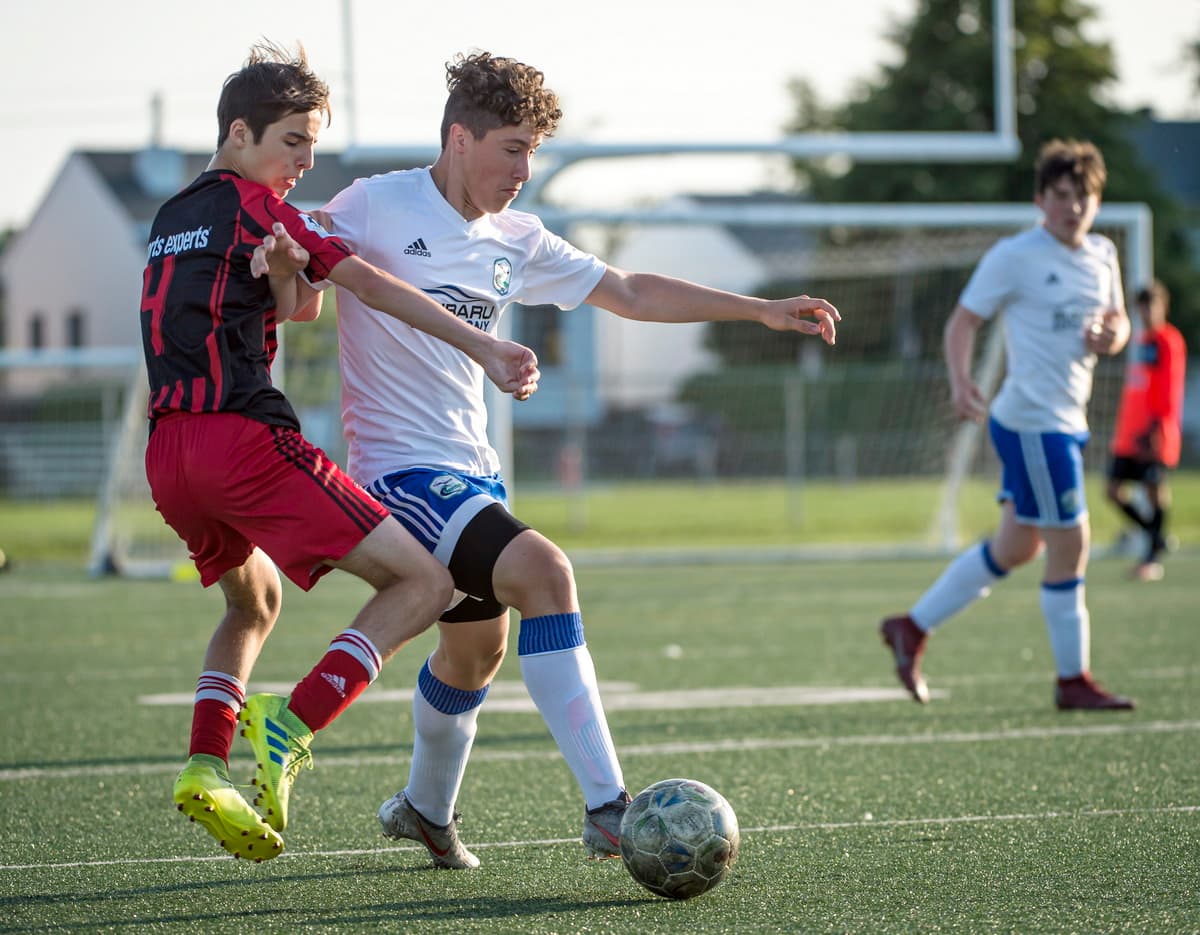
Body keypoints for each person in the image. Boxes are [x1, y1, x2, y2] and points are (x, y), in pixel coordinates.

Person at [295, 51, 839, 869]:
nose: (524, 170)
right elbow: (300, 270)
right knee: (547, 573)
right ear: (458, 137)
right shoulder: (373, 204)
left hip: (470, 471)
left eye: (534, 152)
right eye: (511, 148)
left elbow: (630, 291)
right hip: (397, 473)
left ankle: (423, 808)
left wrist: (760, 310)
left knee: (476, 652)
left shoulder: (517, 237)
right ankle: (608, 808)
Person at [146, 42, 540, 862]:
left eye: (314, 142)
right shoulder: (259, 206)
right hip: (243, 438)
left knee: (251, 606)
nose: (306, 161)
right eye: (293, 140)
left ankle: (205, 767)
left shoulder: (171, 213)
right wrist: (483, 345)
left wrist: (289, 277)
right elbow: (363, 282)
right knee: (425, 580)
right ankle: (295, 722)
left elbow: (298, 311)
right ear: (241, 132)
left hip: (168, 452)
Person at [879, 138, 1136, 712]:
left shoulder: (1102, 254)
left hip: (1066, 421)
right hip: (1032, 422)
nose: (1074, 207)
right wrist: (961, 380)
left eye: (1085, 197)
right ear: (1041, 199)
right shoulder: (1015, 255)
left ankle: (911, 627)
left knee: (1017, 546)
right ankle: (1073, 681)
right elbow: (963, 321)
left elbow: (1117, 324)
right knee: (1072, 544)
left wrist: (1111, 336)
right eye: (1063, 196)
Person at [1105, 279, 1187, 581]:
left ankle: (1151, 557)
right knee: (1113, 491)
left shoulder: (1168, 341)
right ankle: (1157, 538)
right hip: (1130, 433)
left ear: (1163, 306)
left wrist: (1155, 428)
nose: (1145, 312)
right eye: (1141, 306)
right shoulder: (1142, 341)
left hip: (1154, 433)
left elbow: (1169, 388)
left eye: (1150, 305)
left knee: (1154, 490)